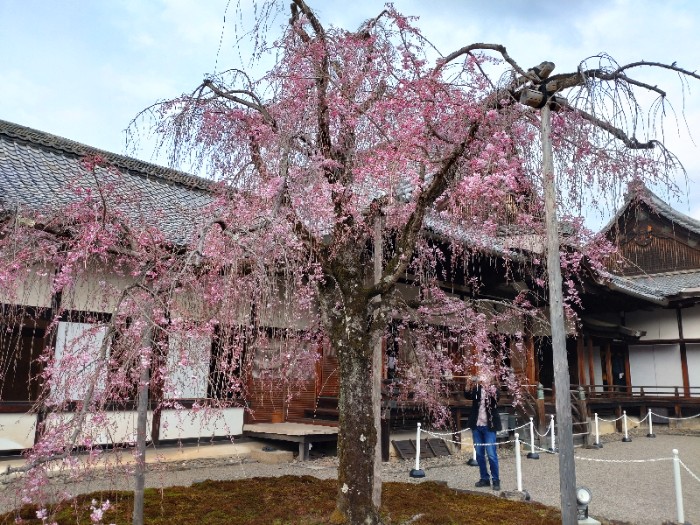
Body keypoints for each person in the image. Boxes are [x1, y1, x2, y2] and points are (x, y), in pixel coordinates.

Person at [465, 374, 501, 491]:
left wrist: (488, 387)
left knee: (491, 454)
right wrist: (468, 385)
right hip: (477, 425)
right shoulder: (476, 389)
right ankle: (484, 478)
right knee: (479, 454)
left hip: (489, 426)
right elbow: (468, 395)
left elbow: (496, 398)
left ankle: (496, 480)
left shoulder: (493, 389)